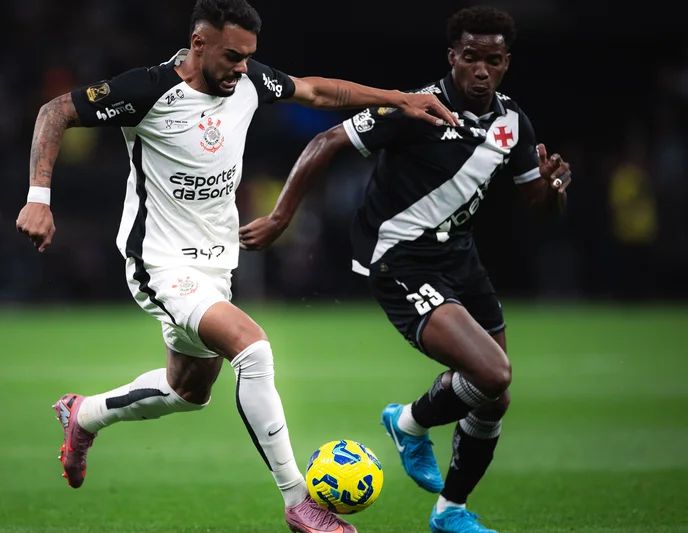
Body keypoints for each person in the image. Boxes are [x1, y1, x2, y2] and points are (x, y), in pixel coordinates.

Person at [15, 1, 457, 532]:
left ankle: (83, 415)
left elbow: (317, 91)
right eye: (231, 56)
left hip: (216, 263)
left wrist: (399, 99)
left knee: (187, 392)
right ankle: (299, 502)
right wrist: (39, 197)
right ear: (199, 44)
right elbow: (55, 111)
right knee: (253, 347)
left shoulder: (246, 81)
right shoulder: (147, 90)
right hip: (157, 261)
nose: (241, 68)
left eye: (249, 57)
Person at [239, 6, 572, 533]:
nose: (481, 70)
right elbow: (326, 142)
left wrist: (553, 190)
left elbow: (536, 200)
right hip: (398, 258)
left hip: (460, 258)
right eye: (470, 58)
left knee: (495, 396)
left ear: (507, 62)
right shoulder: (416, 108)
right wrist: (282, 216)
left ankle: (450, 511)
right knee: (492, 374)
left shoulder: (513, 122)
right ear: (452, 58)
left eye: (493, 60)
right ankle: (411, 423)